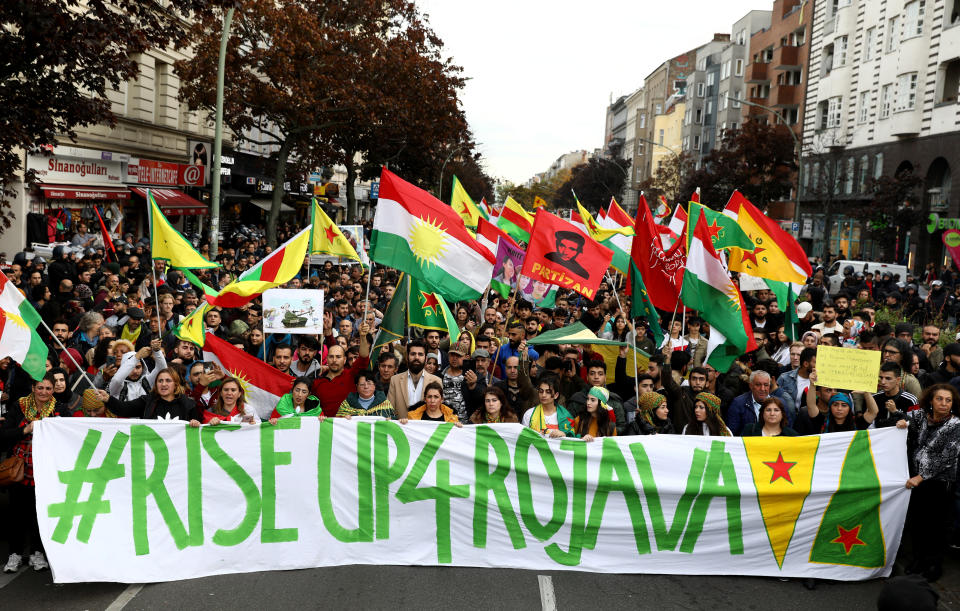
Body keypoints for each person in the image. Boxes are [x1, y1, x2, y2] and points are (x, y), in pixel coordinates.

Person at [1, 374, 72, 573]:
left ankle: (37, 553)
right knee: (17, 513)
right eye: (40, 388)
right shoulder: (19, 406)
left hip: (46, 468)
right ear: (33, 387)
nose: (44, 392)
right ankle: (14, 554)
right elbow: (4, 435)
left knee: (40, 513)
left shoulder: (60, 409)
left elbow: (70, 436)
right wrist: (26, 429)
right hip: (20, 467)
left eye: (48, 389)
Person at [895, 384, 960, 582]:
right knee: (918, 522)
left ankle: (934, 564)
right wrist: (901, 422)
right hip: (917, 481)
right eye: (939, 399)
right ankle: (918, 560)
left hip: (939, 483)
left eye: (948, 400)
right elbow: (905, 418)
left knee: (936, 526)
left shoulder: (956, 425)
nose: (944, 403)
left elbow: (947, 457)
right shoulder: (922, 416)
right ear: (930, 400)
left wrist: (920, 477)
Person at [100, 368, 199, 424]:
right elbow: (124, 409)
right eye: (160, 381)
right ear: (156, 384)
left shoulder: (188, 404)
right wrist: (108, 399)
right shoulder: (147, 401)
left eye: (168, 381)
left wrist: (196, 423)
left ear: (176, 384)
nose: (163, 384)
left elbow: (199, 427)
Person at [804, 374, 878, 432]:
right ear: (830, 406)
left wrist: (867, 393)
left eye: (844, 405)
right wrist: (812, 384)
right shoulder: (822, 422)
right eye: (835, 405)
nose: (839, 408)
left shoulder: (857, 423)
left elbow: (873, 412)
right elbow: (811, 406)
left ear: (849, 407)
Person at [387, 339, 441, 418]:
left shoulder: (436, 381)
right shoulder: (395, 380)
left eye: (420, 354)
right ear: (407, 357)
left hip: (426, 429)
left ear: (426, 359)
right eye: (413, 354)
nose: (416, 357)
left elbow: (440, 411)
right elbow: (389, 410)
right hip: (401, 428)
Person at [873, 362, 919, 427]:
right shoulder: (874, 398)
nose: (883, 382)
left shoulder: (910, 400)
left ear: (898, 380)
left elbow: (916, 424)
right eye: (881, 378)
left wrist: (896, 412)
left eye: (888, 378)